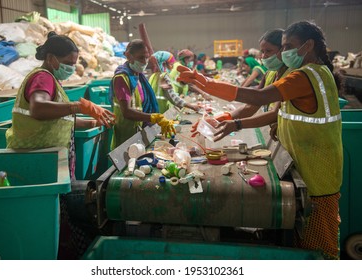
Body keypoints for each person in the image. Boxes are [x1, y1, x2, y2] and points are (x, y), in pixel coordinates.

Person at [178, 20, 343, 260]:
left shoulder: (305, 76)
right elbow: (260, 105)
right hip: (309, 165)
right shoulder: (311, 73)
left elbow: (259, 96)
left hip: (318, 173)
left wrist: (206, 83)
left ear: (308, 45)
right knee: (303, 241)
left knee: (320, 247)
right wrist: (230, 117)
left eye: (288, 46)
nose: (284, 52)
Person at [5, 31, 116, 259]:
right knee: (49, 221)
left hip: (45, 158)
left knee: (58, 219)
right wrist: (77, 106)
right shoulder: (43, 77)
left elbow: (61, 117)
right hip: (37, 160)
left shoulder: (52, 79)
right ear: (52, 58)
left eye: (74, 64)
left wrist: (94, 120)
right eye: (67, 63)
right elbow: (38, 108)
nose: (71, 68)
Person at [108, 39, 175, 150]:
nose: (144, 61)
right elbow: (126, 112)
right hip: (126, 133)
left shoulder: (139, 78)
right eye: (141, 57)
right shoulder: (122, 78)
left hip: (138, 132)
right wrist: (154, 117)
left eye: (147, 57)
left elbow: (142, 106)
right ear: (129, 56)